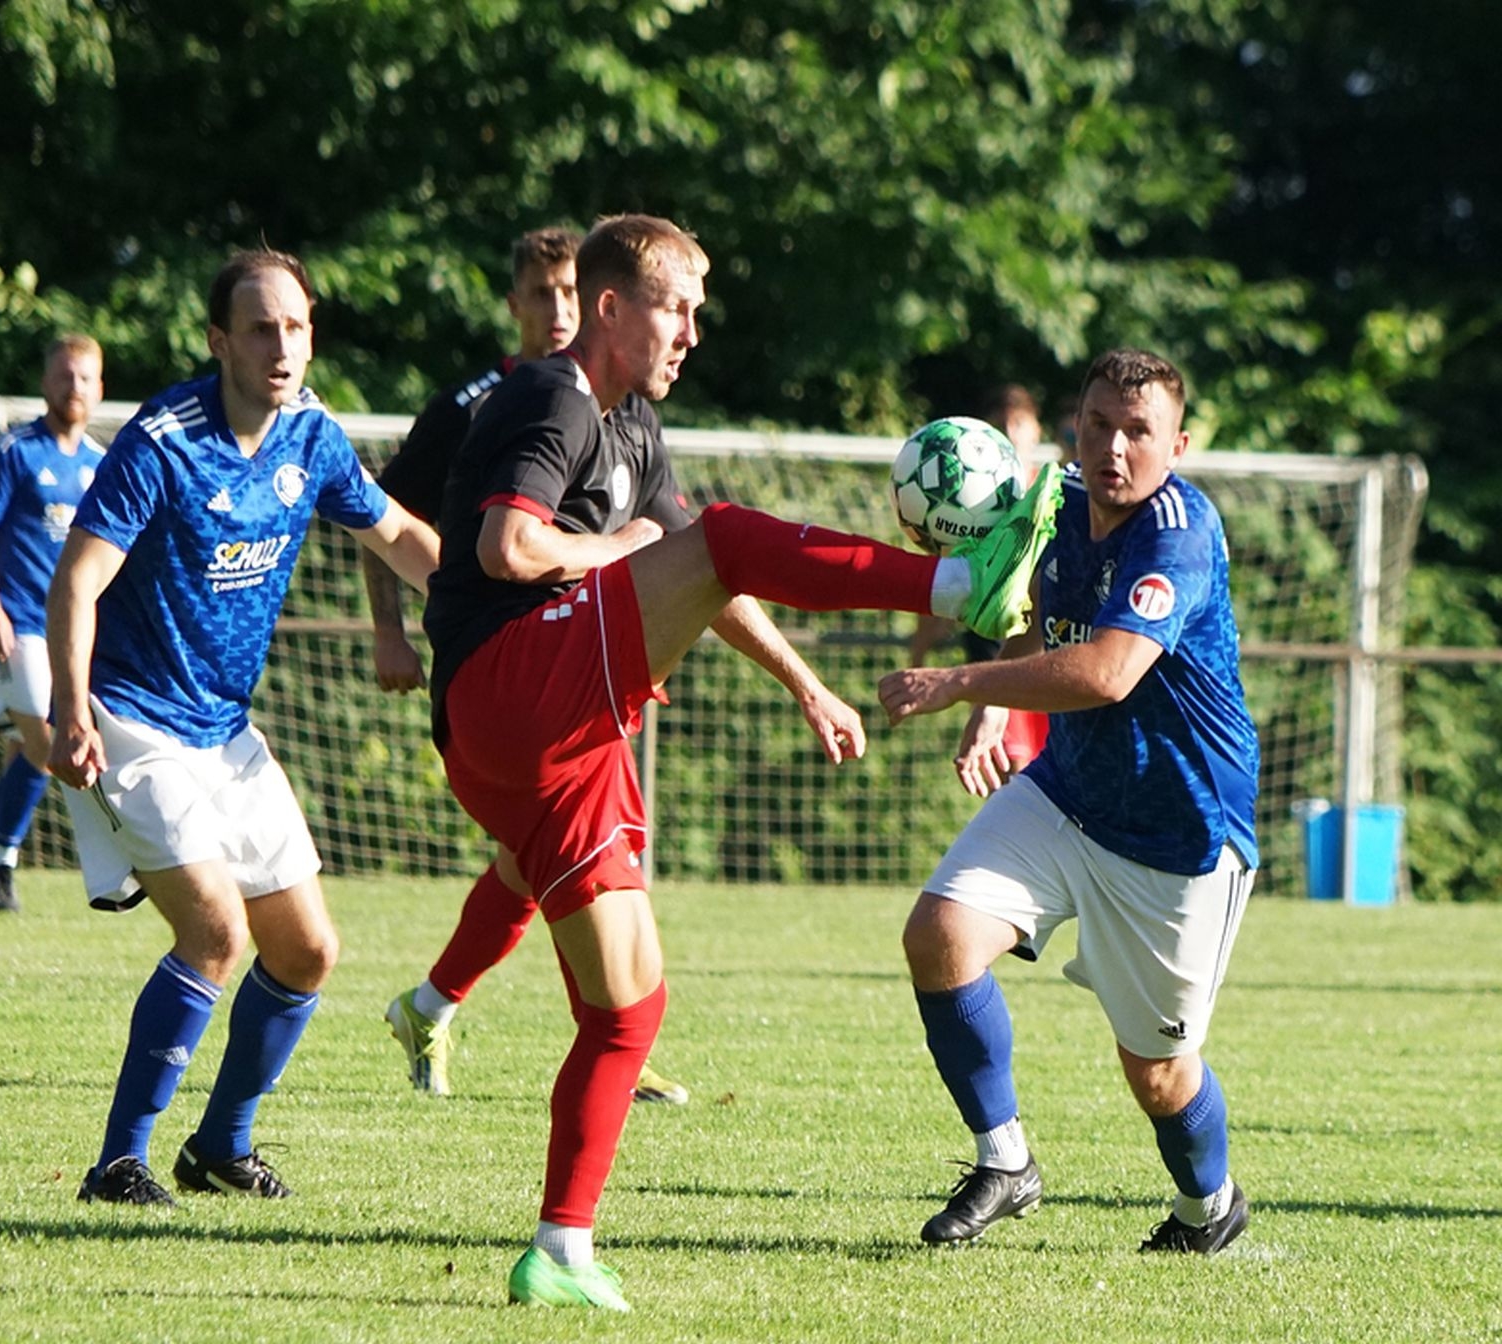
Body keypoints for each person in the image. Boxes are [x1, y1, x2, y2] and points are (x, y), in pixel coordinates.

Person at [421, 214, 1060, 1309]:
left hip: (545, 741)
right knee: (717, 535)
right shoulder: (553, 395)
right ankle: (963, 583)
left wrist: (805, 683)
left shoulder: (630, 427)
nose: (692, 333)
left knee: (628, 1008)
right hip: (506, 685)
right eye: (676, 308)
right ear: (609, 307)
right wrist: (618, 550)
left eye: (697, 312)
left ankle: (559, 1250)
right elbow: (507, 546)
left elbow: (705, 579)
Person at [48, 248, 442, 1207]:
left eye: (296, 327)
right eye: (261, 328)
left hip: (225, 733)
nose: (282, 346)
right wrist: (68, 705)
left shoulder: (312, 435)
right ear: (219, 340)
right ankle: (117, 1164)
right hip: (133, 720)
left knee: (307, 951)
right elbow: (78, 579)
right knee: (217, 931)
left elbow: (397, 535)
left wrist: (493, 611)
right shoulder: (162, 441)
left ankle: (220, 1147)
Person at [877, 348, 1258, 1256]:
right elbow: (1039, 615)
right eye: (1098, 426)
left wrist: (959, 684)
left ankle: (1210, 1208)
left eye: (1138, 432)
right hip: (1068, 791)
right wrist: (995, 709)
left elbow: (1108, 670)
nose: (1114, 448)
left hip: (1178, 831)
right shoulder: (1055, 505)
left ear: (1178, 446)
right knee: (939, 934)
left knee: (1157, 1073)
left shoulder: (1178, 532)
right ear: (1073, 428)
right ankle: (1003, 1159)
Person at [370, 227, 687, 1106]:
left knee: (536, 859)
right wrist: (390, 630)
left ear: (598, 301)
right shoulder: (484, 402)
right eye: (541, 294)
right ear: (514, 304)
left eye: (568, 292)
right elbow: (386, 510)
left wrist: (796, 676)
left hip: (576, 668)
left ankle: (439, 1007)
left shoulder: (624, 409)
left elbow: (687, 547)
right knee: (569, 850)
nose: (558, 309)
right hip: (505, 672)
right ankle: (612, 1035)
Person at [0, 334, 106, 912]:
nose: (74, 387)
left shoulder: (100, 464)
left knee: (30, 751)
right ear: (46, 383)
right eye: (65, 376)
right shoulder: (14, 451)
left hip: (70, 633)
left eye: (85, 378)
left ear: (100, 388)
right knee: (49, 742)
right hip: (18, 621)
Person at [908, 382, 1051, 776]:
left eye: (1019, 423)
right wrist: (920, 650)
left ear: (1036, 430)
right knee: (1011, 768)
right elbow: (945, 573)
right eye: (1001, 425)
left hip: (1049, 652)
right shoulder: (975, 501)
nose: (1011, 432)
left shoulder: (1055, 494)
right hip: (992, 652)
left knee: (1051, 773)